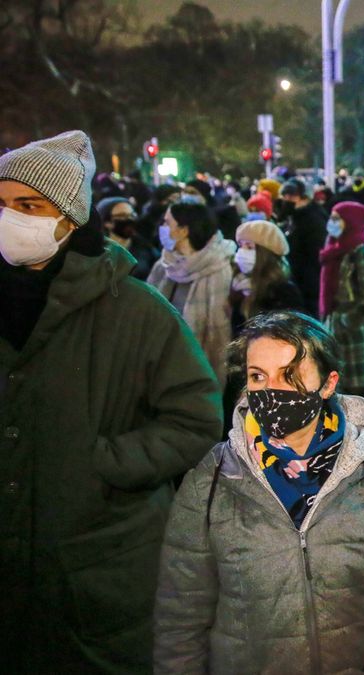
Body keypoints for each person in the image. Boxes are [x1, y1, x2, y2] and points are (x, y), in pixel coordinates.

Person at [0, 130, 221, 672]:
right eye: (1, 204)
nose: (11, 218)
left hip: (97, 564)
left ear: (69, 218)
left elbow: (195, 419)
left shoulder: (137, 309)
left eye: (28, 205)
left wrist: (103, 464)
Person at [154, 311, 364, 673]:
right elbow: (181, 617)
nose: (272, 391)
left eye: (290, 376)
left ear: (328, 383)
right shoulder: (210, 482)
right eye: (258, 376)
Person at [148, 201, 237, 384]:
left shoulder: (220, 268)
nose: (162, 228)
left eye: (167, 223)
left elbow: (218, 339)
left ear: (183, 231)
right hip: (162, 367)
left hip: (198, 370)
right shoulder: (164, 265)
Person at [319, 201, 364, 395]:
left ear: (350, 222)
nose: (332, 223)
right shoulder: (333, 248)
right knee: (337, 385)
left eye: (337, 219)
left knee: (356, 390)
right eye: (332, 218)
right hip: (334, 324)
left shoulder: (360, 253)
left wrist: (349, 320)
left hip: (353, 330)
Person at [232, 219, 304, 327]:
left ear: (265, 254)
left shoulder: (283, 292)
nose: (242, 251)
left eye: (249, 247)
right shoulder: (238, 283)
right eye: (241, 245)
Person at [280, 177, 327, 316]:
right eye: (285, 196)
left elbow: (315, 252)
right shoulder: (295, 216)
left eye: (292, 196)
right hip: (299, 278)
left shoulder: (313, 218)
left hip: (310, 280)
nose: (287, 199)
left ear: (304, 197)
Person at [98, 195, 158, 280]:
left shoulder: (147, 251)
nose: (130, 220)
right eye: (122, 216)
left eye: (132, 215)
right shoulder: (95, 250)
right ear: (107, 223)